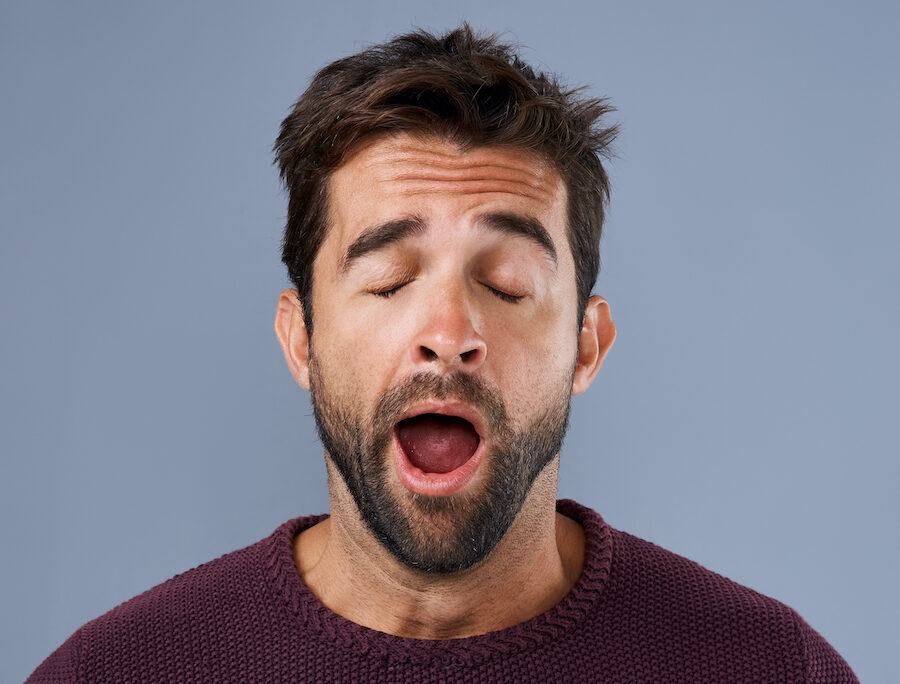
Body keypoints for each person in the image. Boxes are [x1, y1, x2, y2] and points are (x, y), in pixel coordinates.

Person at [28, 25, 857, 683]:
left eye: (506, 281)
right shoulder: (116, 671)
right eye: (389, 280)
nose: (450, 332)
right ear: (301, 339)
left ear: (586, 345)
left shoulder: (770, 667)